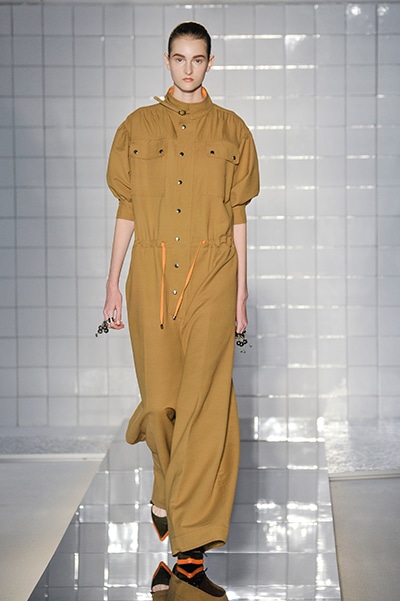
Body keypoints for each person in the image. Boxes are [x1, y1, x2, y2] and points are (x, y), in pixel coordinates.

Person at [103, 21, 259, 600]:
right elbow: (126, 207)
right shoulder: (136, 127)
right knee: (163, 404)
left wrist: (241, 291)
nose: (188, 68)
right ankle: (166, 492)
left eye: (197, 59)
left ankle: (188, 558)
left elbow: (238, 215)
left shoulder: (233, 129)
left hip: (214, 272)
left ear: (210, 63)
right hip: (150, 274)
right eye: (179, 58)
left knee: (205, 407)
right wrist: (112, 283)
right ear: (167, 61)